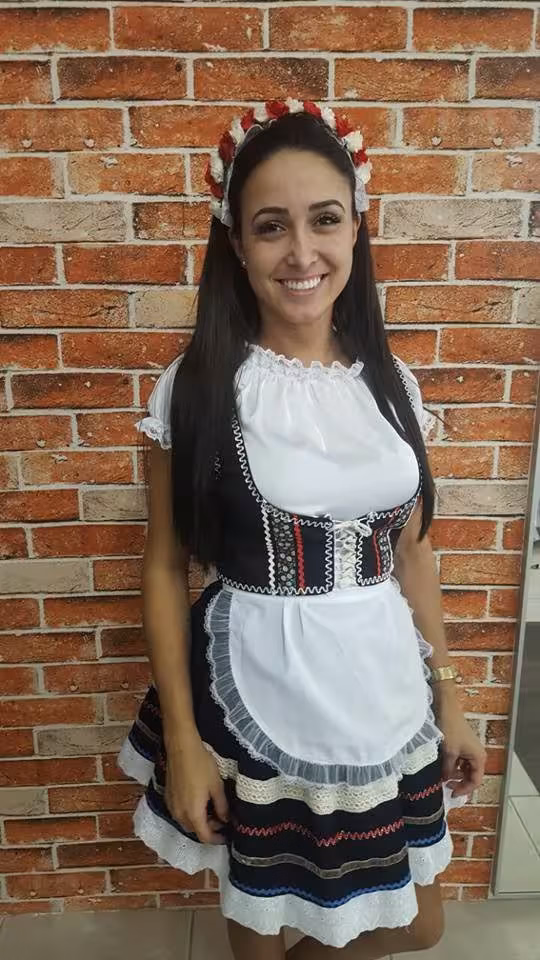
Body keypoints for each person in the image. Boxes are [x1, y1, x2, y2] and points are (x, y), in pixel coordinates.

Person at [118, 98, 486, 958]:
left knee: (417, 923)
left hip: (381, 684)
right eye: (270, 226)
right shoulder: (198, 386)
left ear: (357, 227)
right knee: (265, 918)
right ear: (236, 243)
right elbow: (164, 567)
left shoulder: (389, 381)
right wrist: (185, 741)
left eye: (324, 219)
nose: (301, 252)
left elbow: (413, 552)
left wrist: (452, 695)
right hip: (259, 679)